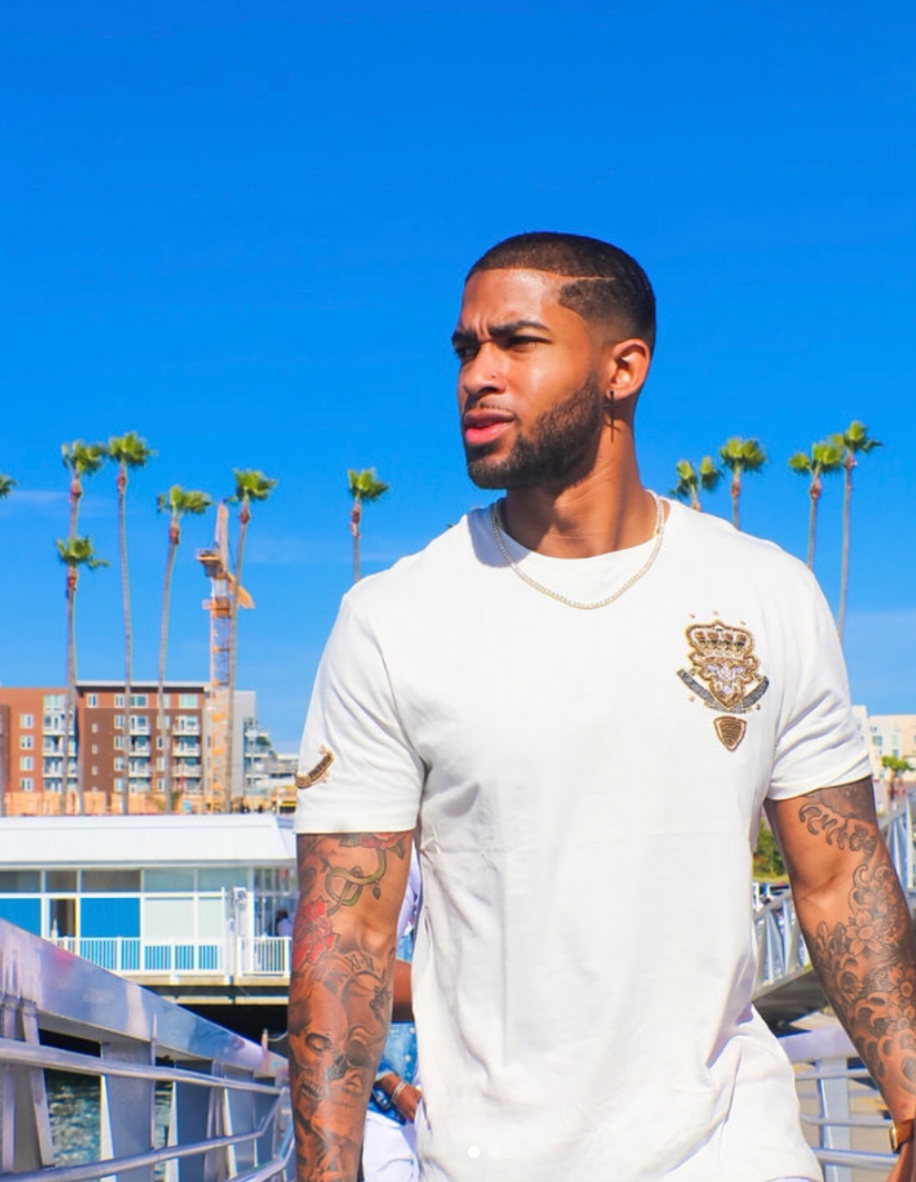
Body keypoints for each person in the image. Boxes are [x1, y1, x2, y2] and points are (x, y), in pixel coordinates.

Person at [289, 232, 916, 1182]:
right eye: (465, 349)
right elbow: (350, 934)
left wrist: (910, 1104)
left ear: (623, 369)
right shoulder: (394, 620)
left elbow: (840, 873)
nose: (477, 376)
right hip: (490, 1161)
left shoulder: (767, 594)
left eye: (517, 342)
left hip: (733, 1149)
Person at [361, 845, 422, 1182]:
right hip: (385, 1109)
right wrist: (393, 1086)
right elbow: (355, 1024)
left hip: (445, 1108)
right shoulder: (380, 948)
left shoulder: (442, 942)